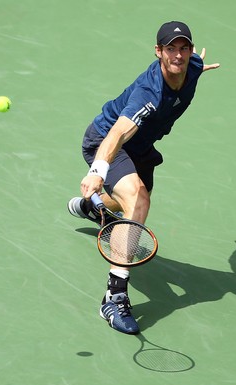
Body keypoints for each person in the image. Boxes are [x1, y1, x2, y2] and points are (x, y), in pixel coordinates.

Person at [67, 21, 220, 334]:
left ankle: (95, 207)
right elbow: (117, 133)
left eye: (184, 47)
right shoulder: (148, 93)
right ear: (158, 51)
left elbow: (191, 65)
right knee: (138, 197)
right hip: (107, 143)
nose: (178, 54)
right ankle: (114, 296)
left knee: (129, 208)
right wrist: (98, 170)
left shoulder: (191, 65)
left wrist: (198, 67)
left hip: (142, 149)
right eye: (170, 48)